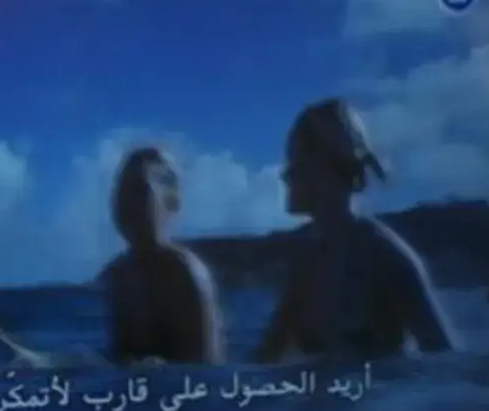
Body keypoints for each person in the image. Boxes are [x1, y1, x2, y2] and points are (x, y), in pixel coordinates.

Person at [256, 98, 455, 361]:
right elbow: (266, 358)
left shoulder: (384, 254)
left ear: (322, 167)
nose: (285, 176)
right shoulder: (307, 257)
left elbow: (443, 359)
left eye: (294, 164)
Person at [97, 146, 225, 363]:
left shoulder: (183, 272)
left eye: (139, 190)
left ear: (171, 202)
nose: (126, 202)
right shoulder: (118, 273)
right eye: (121, 191)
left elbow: (205, 369)